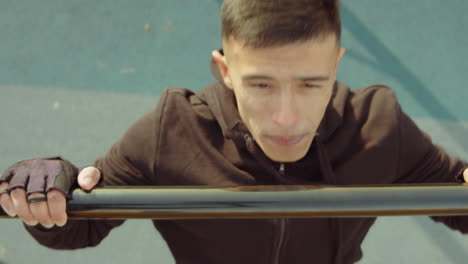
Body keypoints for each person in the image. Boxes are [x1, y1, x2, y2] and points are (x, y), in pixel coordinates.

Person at [1, 0, 468, 263]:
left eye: (311, 84)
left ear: (336, 64)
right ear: (224, 70)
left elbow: (458, 193)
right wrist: (51, 181)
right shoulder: (175, 130)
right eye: (261, 84)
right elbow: (78, 228)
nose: (287, 117)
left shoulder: (377, 124)